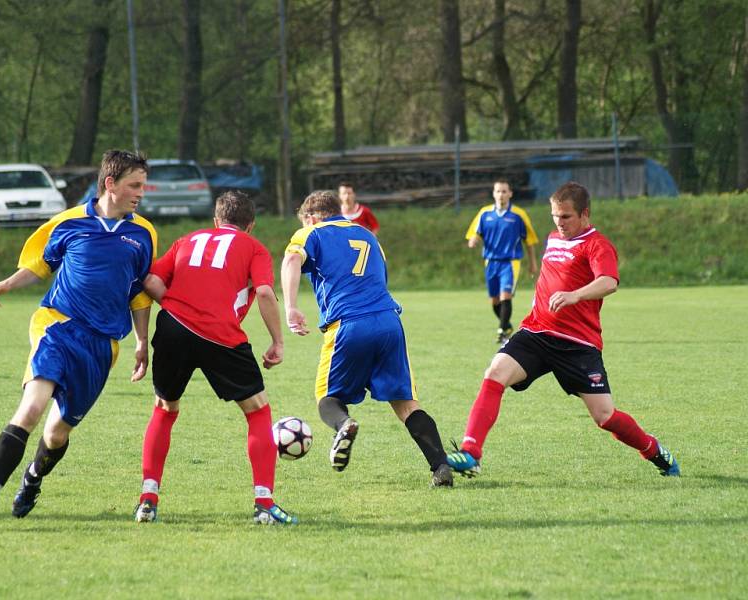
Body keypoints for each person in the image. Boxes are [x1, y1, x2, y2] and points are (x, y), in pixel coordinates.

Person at [0, 150, 157, 528]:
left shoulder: (143, 233)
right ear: (110, 184)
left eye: (142, 185)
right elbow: (37, 267)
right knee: (32, 407)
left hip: (102, 344)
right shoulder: (69, 222)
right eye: (134, 185)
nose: (141, 192)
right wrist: (3, 284)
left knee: (56, 432)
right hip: (57, 325)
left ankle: (33, 477)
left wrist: (141, 342)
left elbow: (138, 293)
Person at [447, 181, 680, 479]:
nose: (560, 223)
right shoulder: (553, 239)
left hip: (577, 344)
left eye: (566, 217)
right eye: (555, 216)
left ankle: (654, 450)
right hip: (537, 333)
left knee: (604, 416)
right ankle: (471, 452)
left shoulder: (598, 245)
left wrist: (575, 295)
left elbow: (609, 281)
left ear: (585, 214)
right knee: (494, 373)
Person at [134, 191, 297, 526]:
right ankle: (264, 505)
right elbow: (265, 291)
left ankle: (147, 501)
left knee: (165, 408)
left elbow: (149, 280)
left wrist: (179, 308)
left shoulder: (186, 240)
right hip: (219, 334)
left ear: (216, 220)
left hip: (172, 327)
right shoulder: (254, 247)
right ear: (250, 224)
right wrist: (277, 342)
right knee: (257, 410)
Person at [281, 190, 453, 487]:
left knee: (327, 398)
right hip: (388, 321)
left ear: (310, 218)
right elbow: (379, 276)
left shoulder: (312, 233)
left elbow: (291, 261)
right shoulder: (367, 235)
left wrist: (291, 307)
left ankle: (343, 425)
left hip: (348, 324)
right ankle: (440, 466)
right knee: (406, 404)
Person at [465, 179, 538, 343]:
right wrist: (474, 240)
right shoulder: (485, 213)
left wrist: (533, 263)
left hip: (510, 262)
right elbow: (475, 233)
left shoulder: (518, 215)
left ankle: (502, 332)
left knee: (506, 296)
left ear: (510, 194)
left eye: (504, 191)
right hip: (491, 262)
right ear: (493, 193)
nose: (501, 194)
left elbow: (530, 241)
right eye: (498, 191)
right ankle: (507, 326)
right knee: (495, 300)